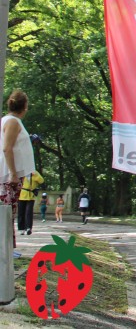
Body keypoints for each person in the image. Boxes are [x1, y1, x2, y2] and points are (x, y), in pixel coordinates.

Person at [1, 89, 35, 303]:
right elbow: (7, 148)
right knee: (6, 216)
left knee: (9, 216)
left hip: (10, 177)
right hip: (7, 178)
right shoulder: (12, 121)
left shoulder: (10, 120)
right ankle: (5, 253)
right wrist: (13, 173)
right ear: (25, 106)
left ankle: (7, 252)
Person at [17, 171, 44, 235]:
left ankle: (29, 228)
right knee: (21, 212)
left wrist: (35, 174)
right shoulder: (22, 173)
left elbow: (41, 181)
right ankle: (21, 228)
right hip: (22, 195)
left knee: (29, 212)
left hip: (30, 196)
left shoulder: (34, 173)